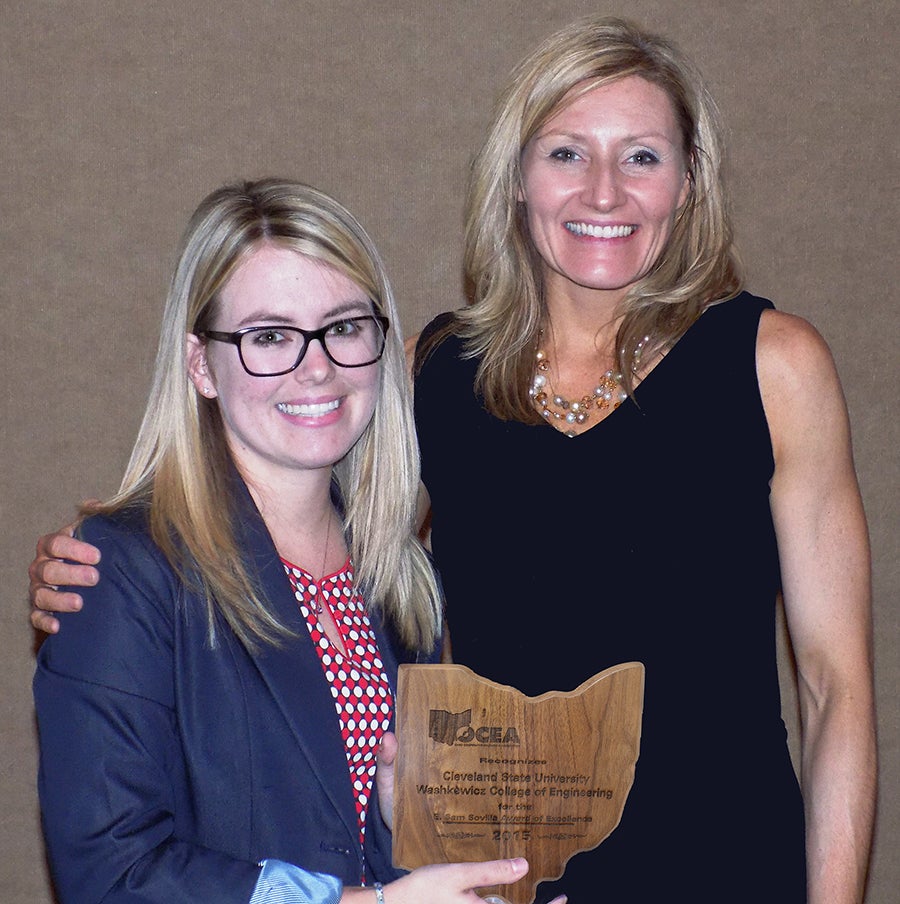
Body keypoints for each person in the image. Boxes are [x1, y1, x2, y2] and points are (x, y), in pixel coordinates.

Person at [30, 16, 876, 904]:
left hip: (727, 870)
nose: (603, 192)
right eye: (565, 154)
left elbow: (833, 690)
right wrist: (102, 555)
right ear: (515, 177)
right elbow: (284, 511)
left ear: (689, 180)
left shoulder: (772, 365)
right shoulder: (436, 372)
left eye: (641, 156)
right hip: (489, 884)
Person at [30, 178, 555, 904]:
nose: (318, 367)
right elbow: (109, 874)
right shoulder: (124, 567)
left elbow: (382, 850)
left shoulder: (400, 576)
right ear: (199, 365)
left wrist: (448, 847)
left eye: (343, 326)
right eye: (269, 336)